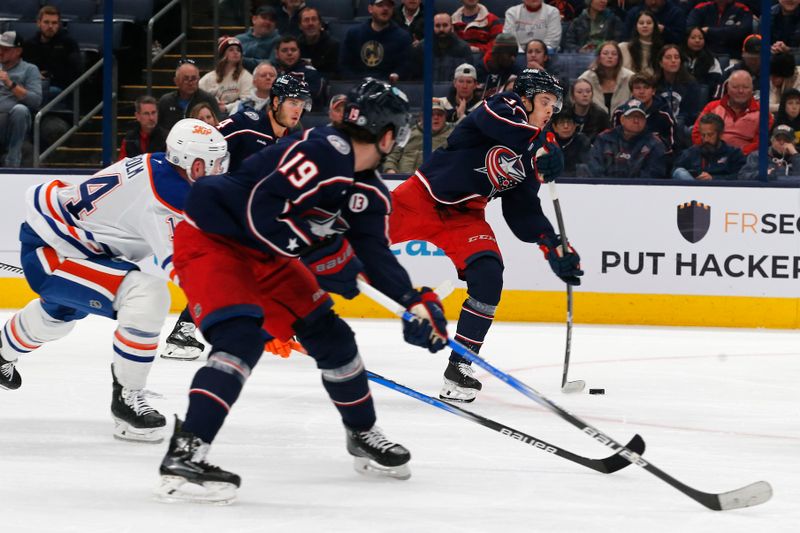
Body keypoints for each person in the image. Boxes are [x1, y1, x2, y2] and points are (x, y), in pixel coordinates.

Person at [154, 79, 448, 503]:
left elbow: (374, 254)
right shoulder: (324, 149)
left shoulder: (368, 191)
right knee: (240, 337)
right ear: (390, 135)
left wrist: (413, 301)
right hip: (215, 239)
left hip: (268, 252)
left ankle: (362, 433)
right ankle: (187, 451)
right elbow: (261, 209)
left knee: (332, 336)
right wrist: (325, 255)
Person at [0, 119, 229, 446]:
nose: (221, 170)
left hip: (73, 247)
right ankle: (127, 401)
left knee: (57, 318)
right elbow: (186, 267)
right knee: (147, 296)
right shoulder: (168, 197)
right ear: (193, 164)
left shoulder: (159, 165)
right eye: (216, 164)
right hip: (56, 253)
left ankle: (2, 350)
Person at [389, 69, 582, 403]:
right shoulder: (503, 105)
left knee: (489, 276)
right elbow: (497, 126)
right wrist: (538, 149)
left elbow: (521, 211)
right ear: (526, 97)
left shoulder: (536, 147)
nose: (552, 110)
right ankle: (291, 302)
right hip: (420, 197)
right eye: (546, 101)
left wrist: (550, 242)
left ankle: (460, 367)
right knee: (350, 245)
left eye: (555, 104)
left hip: (466, 216)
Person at [217, 74, 310, 172]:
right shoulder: (245, 124)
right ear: (276, 102)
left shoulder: (295, 139)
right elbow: (210, 138)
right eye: (293, 103)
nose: (298, 111)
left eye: (302, 105)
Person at [691, 69, 770, 155]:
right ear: (727, 88)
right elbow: (697, 134)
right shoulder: (712, 107)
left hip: (744, 160)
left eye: (745, 87)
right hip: (711, 155)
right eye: (735, 87)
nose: (740, 91)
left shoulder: (763, 113)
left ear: (752, 89)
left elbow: (760, 143)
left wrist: (735, 155)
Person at [588, 98, 668, 179]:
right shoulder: (604, 138)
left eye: (640, 117)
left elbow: (654, 173)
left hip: (640, 189)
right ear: (622, 119)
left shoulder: (654, 143)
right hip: (604, 188)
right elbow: (594, 168)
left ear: (645, 120)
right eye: (632, 117)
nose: (636, 120)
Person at [21, 5, 81, 102]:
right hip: (32, 84)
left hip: (58, 86)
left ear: (59, 24)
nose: (50, 26)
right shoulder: (29, 44)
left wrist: (49, 75)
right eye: (46, 22)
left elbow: (75, 73)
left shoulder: (68, 44)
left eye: (54, 23)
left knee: (39, 92)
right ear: (38, 23)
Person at [0, 31, 42, 168]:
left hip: (13, 121)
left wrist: (10, 83)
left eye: (5, 49)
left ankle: (12, 163)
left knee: (20, 110)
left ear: (18, 51)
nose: (1, 52)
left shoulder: (30, 70)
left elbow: (35, 100)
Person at [340, 0, 412, 80]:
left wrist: (397, 75)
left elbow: (405, 67)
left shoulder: (402, 37)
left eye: (389, 6)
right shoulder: (354, 33)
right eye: (380, 5)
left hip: (389, 86)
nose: (385, 9)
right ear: (370, 9)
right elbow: (344, 65)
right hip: (357, 84)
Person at [383, 97, 453, 173]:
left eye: (440, 114)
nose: (436, 117)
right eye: (431, 114)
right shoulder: (408, 133)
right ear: (422, 117)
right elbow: (391, 156)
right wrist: (391, 171)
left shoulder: (451, 136)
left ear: (445, 117)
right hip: (402, 180)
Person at [612, 73, 675, 154]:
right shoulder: (620, 113)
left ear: (653, 91)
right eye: (637, 88)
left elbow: (671, 146)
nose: (641, 92)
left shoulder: (664, 114)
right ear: (632, 91)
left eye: (646, 87)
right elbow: (614, 142)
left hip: (656, 158)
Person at [672, 113, 745, 180]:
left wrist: (713, 178)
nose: (706, 139)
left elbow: (740, 176)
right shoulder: (692, 152)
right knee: (679, 172)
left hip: (722, 190)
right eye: (703, 135)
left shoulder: (734, 153)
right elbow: (674, 170)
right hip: (695, 190)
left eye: (710, 135)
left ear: (720, 134)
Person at [408, 13, 474, 81]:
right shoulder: (422, 48)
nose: (441, 29)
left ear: (452, 27)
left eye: (445, 25)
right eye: (437, 26)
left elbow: (468, 77)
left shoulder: (463, 48)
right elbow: (415, 79)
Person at [157, 61, 219, 131]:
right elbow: (159, 128)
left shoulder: (208, 99)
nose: (190, 83)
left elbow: (218, 125)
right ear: (176, 81)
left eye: (194, 78)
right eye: (186, 79)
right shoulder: (166, 101)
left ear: (199, 79)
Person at [199, 37, 253, 117]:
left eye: (238, 50)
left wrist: (226, 107)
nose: (236, 52)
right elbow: (198, 94)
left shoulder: (246, 76)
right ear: (223, 54)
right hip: (211, 113)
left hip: (235, 115)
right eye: (231, 50)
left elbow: (247, 100)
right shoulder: (209, 77)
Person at [577, 41, 633, 115]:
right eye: (605, 53)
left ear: (619, 58)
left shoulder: (630, 77)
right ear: (599, 57)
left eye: (614, 54)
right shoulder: (586, 78)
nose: (610, 56)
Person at [654, 44, 701, 129]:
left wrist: (677, 122)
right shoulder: (654, 83)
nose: (673, 61)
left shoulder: (691, 83)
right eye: (668, 57)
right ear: (661, 63)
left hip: (683, 126)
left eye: (676, 57)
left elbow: (692, 113)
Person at [686, 0, 753, 58]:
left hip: (732, 56)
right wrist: (730, 29)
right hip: (703, 55)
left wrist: (709, 31)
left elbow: (741, 32)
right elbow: (690, 30)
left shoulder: (742, 9)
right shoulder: (700, 8)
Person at [273, 35, 324, 107]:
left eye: (293, 50)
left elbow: (310, 97)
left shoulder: (310, 72)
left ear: (299, 52)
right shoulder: (271, 72)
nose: (289, 53)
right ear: (277, 54)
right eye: (284, 50)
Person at [297, 6, 340, 79]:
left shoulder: (333, 46)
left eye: (314, 19)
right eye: (306, 20)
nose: (310, 23)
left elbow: (336, 75)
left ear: (320, 24)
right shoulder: (296, 46)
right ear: (300, 26)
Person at [119, 96, 167, 160]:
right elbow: (121, 164)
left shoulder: (167, 138)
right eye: (146, 114)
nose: (151, 118)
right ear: (137, 116)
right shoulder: (129, 138)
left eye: (153, 113)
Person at [235, 5, 281, 72]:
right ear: (254, 19)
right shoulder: (239, 39)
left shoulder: (279, 41)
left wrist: (241, 60)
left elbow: (271, 64)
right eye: (264, 18)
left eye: (271, 20)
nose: (267, 22)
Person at [476, 33, 522, 99]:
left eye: (515, 55)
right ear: (498, 53)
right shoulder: (479, 69)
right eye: (510, 54)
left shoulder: (515, 70)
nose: (513, 58)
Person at [682, 27, 722, 99]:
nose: (697, 40)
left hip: (703, 96)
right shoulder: (678, 56)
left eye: (700, 38)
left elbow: (715, 83)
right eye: (693, 38)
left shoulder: (711, 59)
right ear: (686, 39)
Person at [618, 10, 662, 75]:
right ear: (636, 26)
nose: (645, 26)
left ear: (655, 26)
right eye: (641, 23)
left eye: (649, 23)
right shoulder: (623, 48)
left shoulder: (661, 50)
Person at [550, 109, 591, 176]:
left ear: (575, 125)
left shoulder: (582, 141)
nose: (566, 126)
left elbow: (585, 168)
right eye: (561, 122)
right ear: (554, 127)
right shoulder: (547, 141)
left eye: (569, 122)